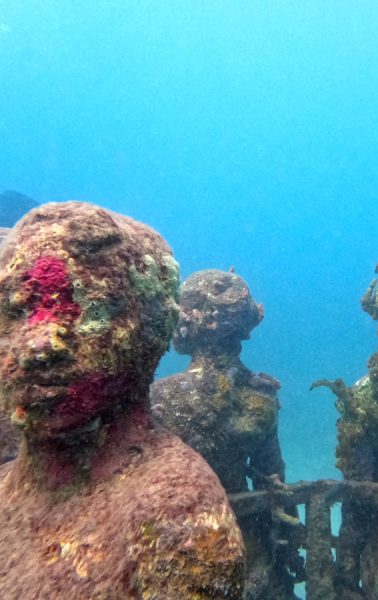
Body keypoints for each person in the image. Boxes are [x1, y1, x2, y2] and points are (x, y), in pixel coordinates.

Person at [0, 201, 244, 599]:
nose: (39, 346)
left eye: (88, 309)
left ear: (154, 328)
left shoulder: (174, 514)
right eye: (16, 309)